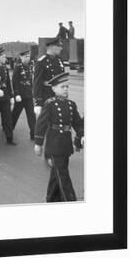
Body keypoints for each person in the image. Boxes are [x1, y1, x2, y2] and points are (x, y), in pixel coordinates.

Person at [33, 72, 84, 202]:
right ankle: (70, 200)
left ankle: (51, 197)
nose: (65, 89)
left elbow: (77, 123)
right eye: (62, 87)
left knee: (58, 172)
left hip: (66, 144)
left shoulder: (71, 104)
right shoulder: (50, 104)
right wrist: (38, 143)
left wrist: (82, 134)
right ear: (54, 89)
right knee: (63, 174)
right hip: (54, 144)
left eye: (67, 86)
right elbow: (41, 124)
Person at [33, 37, 66, 116]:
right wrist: (38, 102)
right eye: (59, 46)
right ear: (52, 47)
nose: (61, 48)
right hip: (47, 97)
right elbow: (37, 82)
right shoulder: (41, 62)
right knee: (46, 123)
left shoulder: (59, 60)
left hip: (59, 95)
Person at [11, 50, 36, 140]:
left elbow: (30, 81)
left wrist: (32, 92)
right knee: (15, 114)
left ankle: (33, 133)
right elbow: (15, 81)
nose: (27, 58)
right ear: (21, 57)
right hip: (20, 96)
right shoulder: (18, 67)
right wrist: (16, 94)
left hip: (28, 96)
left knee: (31, 115)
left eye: (29, 56)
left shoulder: (29, 67)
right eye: (26, 56)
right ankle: (9, 129)